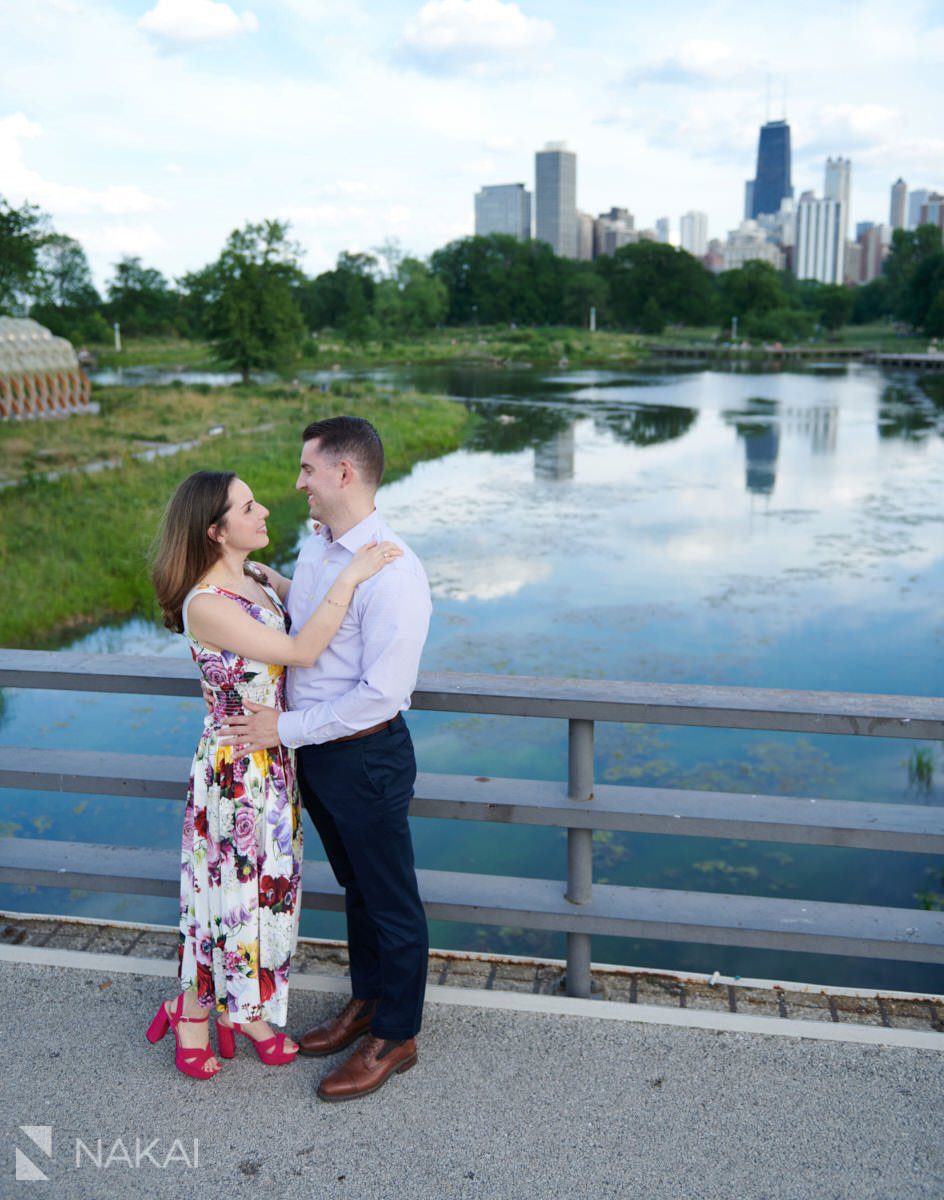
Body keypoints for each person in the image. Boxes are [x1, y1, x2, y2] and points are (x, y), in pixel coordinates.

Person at [146, 469, 402, 1079]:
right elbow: (303, 650)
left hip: (275, 761)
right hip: (235, 770)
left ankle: (246, 1010)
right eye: (247, 506)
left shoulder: (256, 578)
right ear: (214, 531)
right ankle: (191, 1013)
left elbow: (299, 610)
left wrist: (319, 555)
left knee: (268, 892)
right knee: (225, 895)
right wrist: (352, 573)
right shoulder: (206, 604)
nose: (264, 510)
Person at [219, 416, 432, 1102]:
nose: (298, 483)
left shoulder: (393, 568)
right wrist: (274, 584)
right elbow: (315, 621)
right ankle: (366, 1003)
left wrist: (285, 726)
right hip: (317, 755)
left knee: (391, 901)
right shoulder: (317, 548)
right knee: (359, 891)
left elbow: (382, 694)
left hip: (365, 755)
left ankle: (395, 1036)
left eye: (308, 469)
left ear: (345, 473)